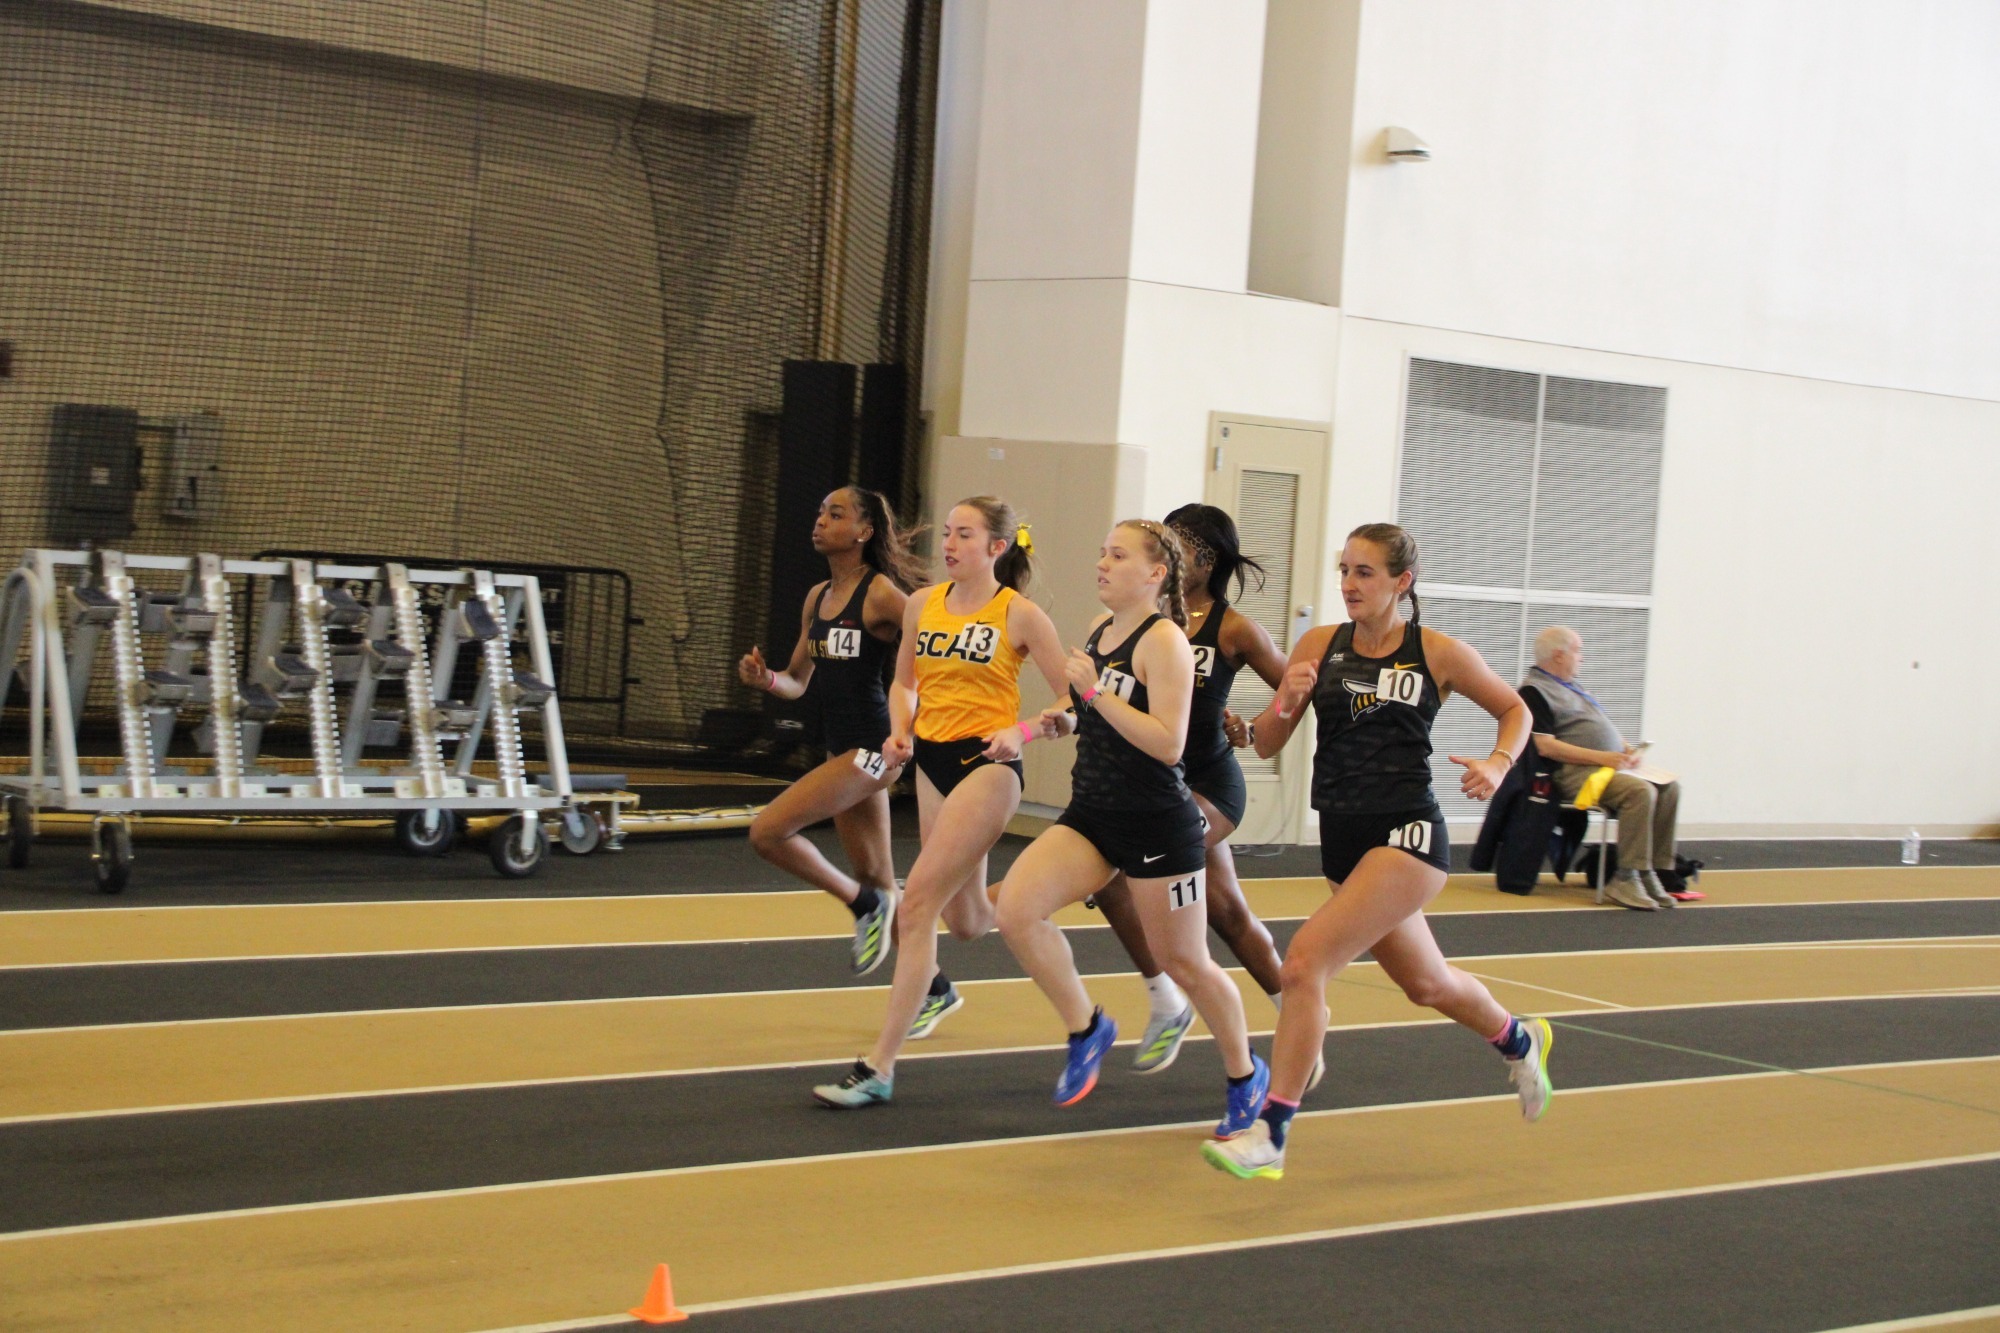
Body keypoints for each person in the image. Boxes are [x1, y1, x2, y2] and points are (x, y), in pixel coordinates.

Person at [1204, 523, 1550, 1182]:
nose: (1349, 584)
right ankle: (1517, 1036)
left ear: (1401, 582)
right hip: (1345, 840)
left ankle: (1271, 1130)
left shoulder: (1438, 653)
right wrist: (1288, 700)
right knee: (1427, 984)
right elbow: (1271, 741)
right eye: (1345, 569)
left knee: (1304, 962)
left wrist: (1499, 763)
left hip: (1409, 835)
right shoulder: (1318, 645)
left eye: (1365, 572)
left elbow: (1517, 709)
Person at [995, 520, 1267, 1133]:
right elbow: (1075, 709)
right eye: (1102, 551)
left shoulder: (1165, 641)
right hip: (1093, 812)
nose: (1102, 563)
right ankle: (1087, 1027)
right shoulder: (1099, 630)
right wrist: (1032, 729)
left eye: (1117, 555)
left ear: (1154, 574)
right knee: (1016, 910)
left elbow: (1169, 744)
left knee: (1185, 962)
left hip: (1157, 824)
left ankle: (1246, 1075)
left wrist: (1093, 697)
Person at [813, 496, 1071, 1108]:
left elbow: (1074, 702)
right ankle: (1046, 889)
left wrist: (1025, 730)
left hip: (989, 765)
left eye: (965, 535)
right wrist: (901, 729)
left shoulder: (1022, 615)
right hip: (930, 761)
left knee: (917, 904)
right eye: (948, 534)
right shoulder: (924, 605)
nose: (950, 545)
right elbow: (904, 682)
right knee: (969, 920)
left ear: (997, 549)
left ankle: (879, 1066)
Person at [1085, 504, 1289, 1075]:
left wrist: (1254, 728)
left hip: (1206, 785)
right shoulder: (1140, 617)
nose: (1175, 552)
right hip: (1152, 784)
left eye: (1187, 544)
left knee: (1117, 871)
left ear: (1210, 558)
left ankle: (1176, 1001)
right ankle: (1186, 998)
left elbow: (1297, 686)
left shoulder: (1232, 627)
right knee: (1226, 913)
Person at [738, 488, 923, 972]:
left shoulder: (880, 592)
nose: (820, 520)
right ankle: (933, 988)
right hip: (839, 749)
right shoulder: (818, 597)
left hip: (872, 750)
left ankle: (860, 905)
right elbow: (798, 682)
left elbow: (929, 644)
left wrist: (910, 723)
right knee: (877, 874)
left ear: (863, 532)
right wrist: (767, 679)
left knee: (768, 833)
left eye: (835, 514)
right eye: (820, 511)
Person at [1521, 625, 1696, 910]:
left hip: (1604, 769)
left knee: (1670, 788)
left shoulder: (1573, 687)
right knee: (1639, 792)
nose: (1582, 658)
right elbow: (1546, 746)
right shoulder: (1534, 691)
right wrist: (1604, 758)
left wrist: (1625, 749)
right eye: (1578, 651)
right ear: (1558, 655)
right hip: (1573, 774)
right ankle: (1625, 877)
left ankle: (1654, 870)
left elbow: (1601, 728)